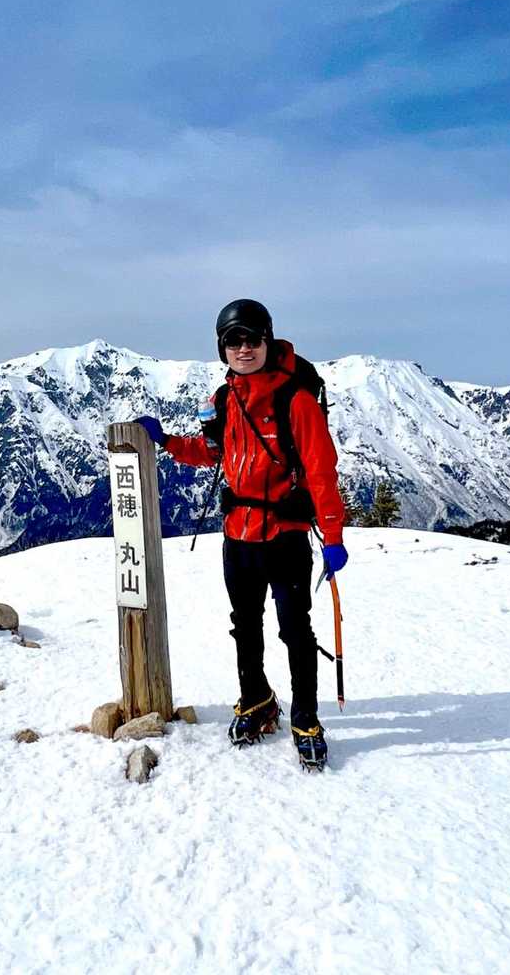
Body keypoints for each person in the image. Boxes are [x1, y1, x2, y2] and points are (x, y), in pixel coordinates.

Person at [134, 299, 347, 770]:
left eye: (252, 339)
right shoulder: (227, 400)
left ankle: (306, 717)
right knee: (244, 623)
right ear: (222, 348)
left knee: (295, 629)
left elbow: (321, 470)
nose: (244, 348)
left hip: (286, 534)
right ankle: (256, 698)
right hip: (238, 535)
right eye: (234, 341)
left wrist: (332, 535)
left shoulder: (296, 400)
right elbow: (212, 452)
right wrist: (167, 442)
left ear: (268, 340)